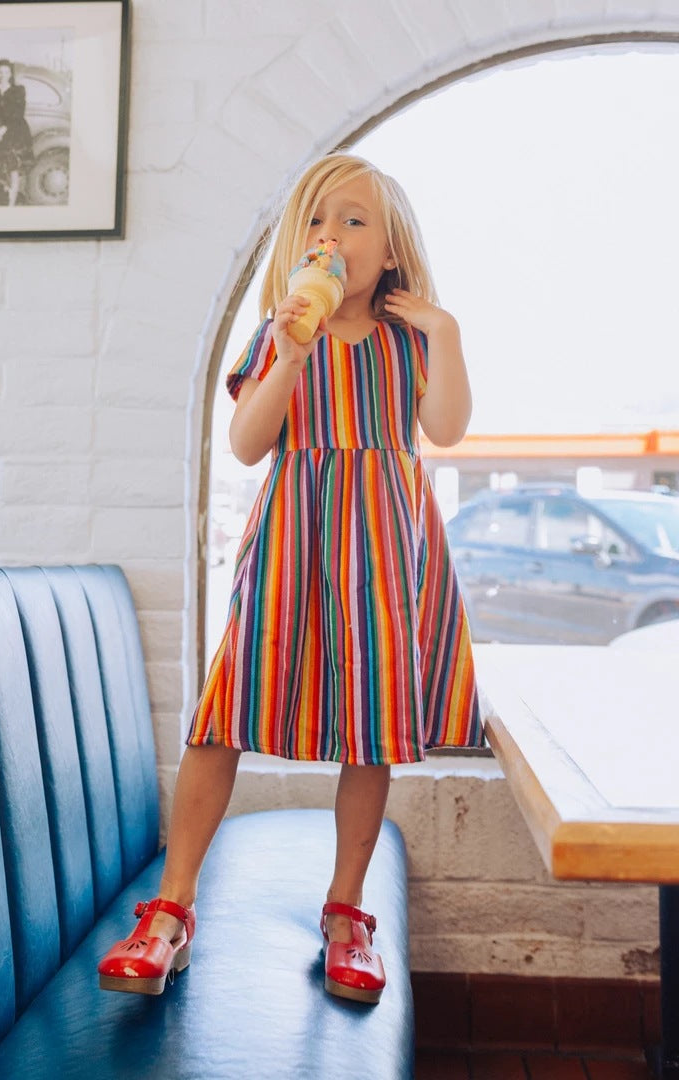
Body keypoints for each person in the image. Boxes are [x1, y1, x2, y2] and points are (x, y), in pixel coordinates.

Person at [98, 152, 483, 1004]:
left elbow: (447, 429)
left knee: (371, 727)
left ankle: (346, 912)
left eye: (353, 221)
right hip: (294, 538)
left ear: (390, 251)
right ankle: (172, 908)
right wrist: (290, 356)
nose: (330, 236)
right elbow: (246, 442)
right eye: (316, 220)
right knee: (225, 709)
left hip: (385, 544)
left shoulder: (412, 338)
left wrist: (447, 331)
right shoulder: (280, 332)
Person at [0, 59, 33, 207]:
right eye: (0, 72)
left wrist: (3, 129)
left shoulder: (18, 90)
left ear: (11, 74)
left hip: (14, 133)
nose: (3, 75)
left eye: (6, 72)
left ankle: (11, 204)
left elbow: (18, 113)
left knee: (13, 169)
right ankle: (0, 200)